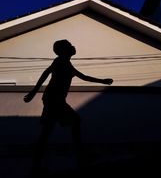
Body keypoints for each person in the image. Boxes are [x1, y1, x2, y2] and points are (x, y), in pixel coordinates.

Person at [24, 39, 113, 173]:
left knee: (51, 130)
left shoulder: (66, 63)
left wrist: (102, 81)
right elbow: (45, 74)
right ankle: (78, 155)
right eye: (69, 45)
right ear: (63, 50)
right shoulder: (60, 61)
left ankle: (39, 163)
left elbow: (83, 76)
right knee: (69, 123)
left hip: (55, 100)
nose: (73, 46)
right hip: (54, 101)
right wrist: (33, 92)